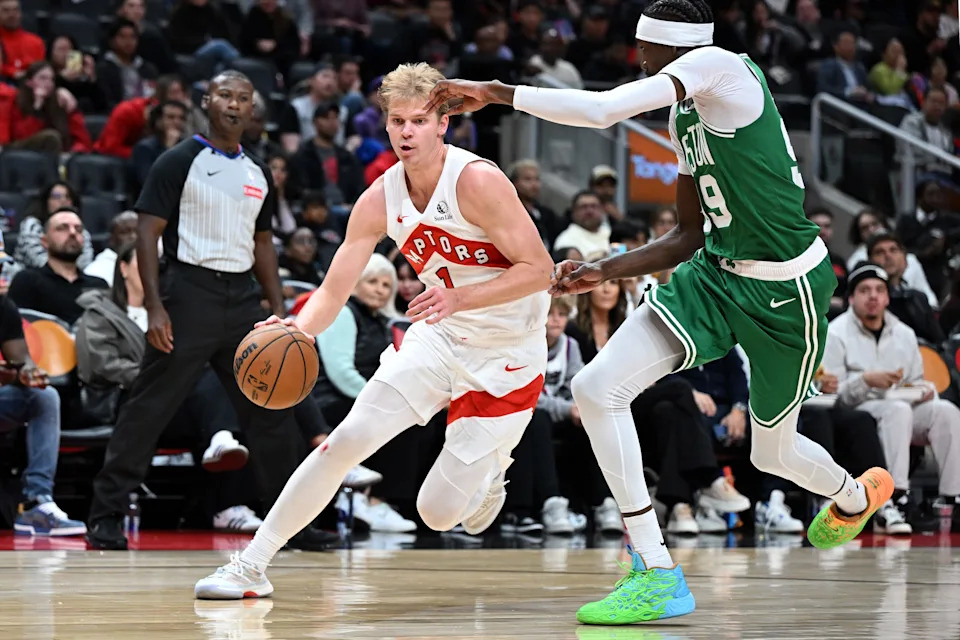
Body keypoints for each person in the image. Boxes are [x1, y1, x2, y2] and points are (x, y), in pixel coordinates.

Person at [427, 0, 894, 624]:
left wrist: (495, 91)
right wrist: (606, 269)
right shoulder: (684, 114)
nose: (639, 60)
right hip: (715, 275)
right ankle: (655, 568)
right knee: (596, 388)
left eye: (645, 51)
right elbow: (686, 236)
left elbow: (598, 111)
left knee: (769, 455)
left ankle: (856, 493)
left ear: (671, 49)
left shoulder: (722, 68)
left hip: (788, 291)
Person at [194, 62, 553, 599]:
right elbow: (334, 291)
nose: (406, 132)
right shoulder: (380, 197)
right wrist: (295, 329)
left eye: (417, 121)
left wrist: (461, 295)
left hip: (507, 354)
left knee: (438, 514)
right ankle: (251, 566)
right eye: (396, 121)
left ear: (441, 125)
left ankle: (491, 470)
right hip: (440, 336)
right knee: (341, 444)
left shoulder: (477, 180)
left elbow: (540, 271)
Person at [85, 71, 334, 552]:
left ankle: (291, 525)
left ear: (252, 108)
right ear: (208, 101)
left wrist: (280, 311)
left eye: (244, 97)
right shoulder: (178, 161)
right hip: (188, 291)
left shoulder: (258, 171)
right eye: (226, 95)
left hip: (242, 300)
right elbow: (145, 233)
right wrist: (155, 307)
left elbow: (263, 243)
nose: (235, 104)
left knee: (271, 412)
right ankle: (106, 515)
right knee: (148, 406)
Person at [823, 263, 960, 532]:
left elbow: (915, 379)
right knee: (897, 410)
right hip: (859, 410)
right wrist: (865, 380)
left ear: (887, 297)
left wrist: (924, 389)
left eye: (879, 290)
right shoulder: (836, 333)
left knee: (945, 410)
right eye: (865, 290)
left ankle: (952, 497)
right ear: (852, 297)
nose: (873, 296)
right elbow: (833, 393)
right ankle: (896, 497)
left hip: (902, 405)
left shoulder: (904, 333)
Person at [0, 232, 86, 536]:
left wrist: (28, 374)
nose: (2, 273)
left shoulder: (4, 307)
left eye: (2, 265)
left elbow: (20, 360)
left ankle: (37, 502)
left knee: (44, 397)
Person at [8, 208, 108, 324]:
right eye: (62, 228)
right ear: (45, 241)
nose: (72, 233)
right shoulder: (28, 281)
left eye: (78, 229)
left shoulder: (99, 285)